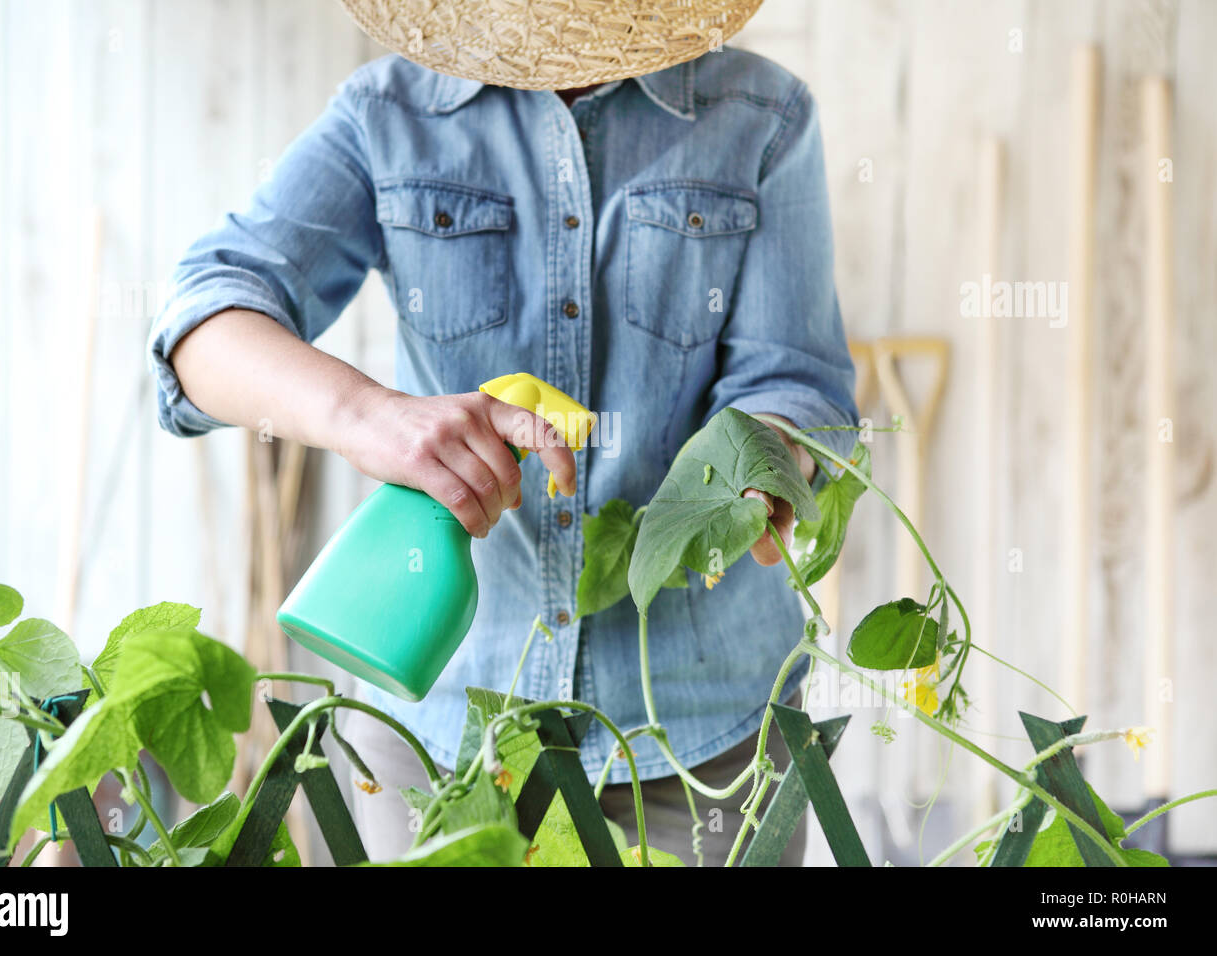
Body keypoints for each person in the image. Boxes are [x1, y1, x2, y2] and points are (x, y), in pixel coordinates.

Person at [147, 0, 858, 866]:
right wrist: (371, 418)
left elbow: (794, 376)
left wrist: (764, 461)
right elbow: (201, 324)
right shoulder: (387, 113)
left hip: (699, 726)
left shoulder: (761, 115)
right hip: (439, 722)